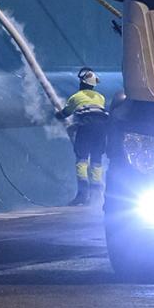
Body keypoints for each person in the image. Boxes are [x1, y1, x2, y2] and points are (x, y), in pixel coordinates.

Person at [55, 67, 109, 206]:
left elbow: (66, 113)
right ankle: (96, 196)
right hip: (102, 130)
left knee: (82, 161)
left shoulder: (75, 97)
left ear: (82, 83)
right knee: (97, 161)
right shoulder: (101, 97)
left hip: (86, 129)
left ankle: (82, 195)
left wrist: (57, 115)